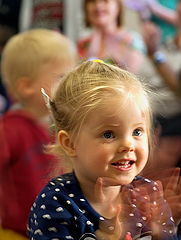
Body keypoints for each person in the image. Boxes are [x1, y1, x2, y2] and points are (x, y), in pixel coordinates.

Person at [28, 60, 181, 240]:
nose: (128, 145)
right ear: (70, 143)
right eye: (108, 134)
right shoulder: (57, 204)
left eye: (137, 131)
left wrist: (163, 232)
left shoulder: (147, 195)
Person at [0, 29, 77, 239]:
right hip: (16, 233)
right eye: (61, 78)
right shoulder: (10, 129)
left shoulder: (57, 129)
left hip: (53, 230)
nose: (68, 86)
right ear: (26, 86)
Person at [78, 0, 146, 74]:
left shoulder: (132, 41)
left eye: (105, 1)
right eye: (92, 1)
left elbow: (131, 78)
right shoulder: (82, 43)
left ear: (118, 7)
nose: (98, 5)